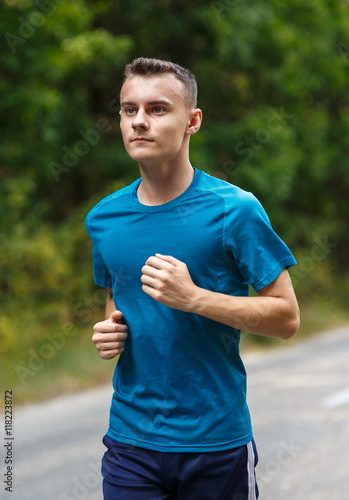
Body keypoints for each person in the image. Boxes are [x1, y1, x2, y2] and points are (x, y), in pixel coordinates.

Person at [85, 57, 300, 500]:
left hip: (215, 443)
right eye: (129, 110)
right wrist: (112, 330)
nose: (139, 122)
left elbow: (286, 318)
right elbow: (118, 298)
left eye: (158, 109)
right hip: (130, 442)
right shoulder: (104, 218)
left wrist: (195, 298)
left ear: (193, 121)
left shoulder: (234, 210)